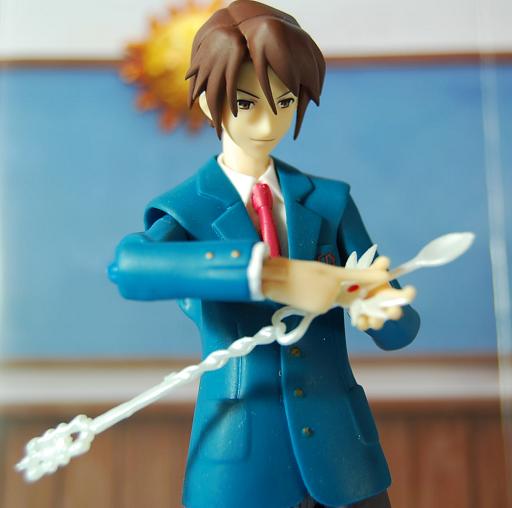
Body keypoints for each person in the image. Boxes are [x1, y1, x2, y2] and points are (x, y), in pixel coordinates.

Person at [108, 2, 420, 507]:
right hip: (239, 457)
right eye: (246, 102)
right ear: (208, 103)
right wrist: (265, 274)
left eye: (284, 101)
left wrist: (379, 309)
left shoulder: (329, 201)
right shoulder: (188, 208)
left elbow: (401, 326)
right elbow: (129, 267)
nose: (266, 122)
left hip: (343, 457)